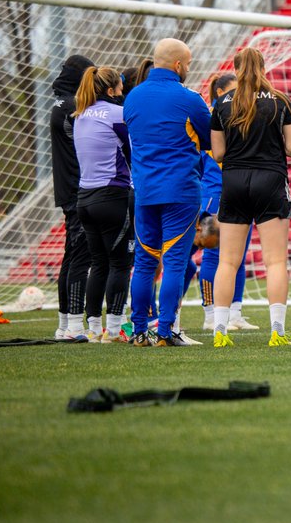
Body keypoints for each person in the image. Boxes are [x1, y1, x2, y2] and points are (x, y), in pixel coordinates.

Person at [209, 47, 291, 348]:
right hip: (270, 180)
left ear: (236, 69)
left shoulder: (222, 102)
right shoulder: (280, 99)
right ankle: (277, 331)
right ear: (263, 68)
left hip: (234, 181)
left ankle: (220, 331)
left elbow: (218, 153)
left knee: (227, 261)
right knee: (275, 262)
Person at [123, 38, 210, 347]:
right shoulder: (190, 98)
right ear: (178, 65)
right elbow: (209, 140)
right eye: (188, 64)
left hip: (145, 191)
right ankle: (165, 331)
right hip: (181, 191)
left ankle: (138, 331)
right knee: (174, 263)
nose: (188, 69)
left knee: (145, 263)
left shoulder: (132, 97)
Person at [72, 66, 133, 343]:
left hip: (84, 197)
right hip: (112, 196)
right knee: (120, 263)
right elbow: (132, 151)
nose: (123, 92)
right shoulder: (117, 113)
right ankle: (114, 329)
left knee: (98, 264)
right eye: (120, 88)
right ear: (111, 90)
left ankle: (94, 328)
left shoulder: (80, 114)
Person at [197, 73, 258, 333]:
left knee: (238, 256)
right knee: (214, 254)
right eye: (233, 90)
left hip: (239, 190)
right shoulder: (212, 116)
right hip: (215, 194)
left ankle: (235, 313)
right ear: (220, 92)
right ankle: (210, 313)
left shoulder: (240, 114)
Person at [49, 54, 95, 340]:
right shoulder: (73, 107)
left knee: (71, 256)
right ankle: (74, 326)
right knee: (80, 257)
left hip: (68, 189)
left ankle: (65, 323)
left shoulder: (60, 104)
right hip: (80, 189)